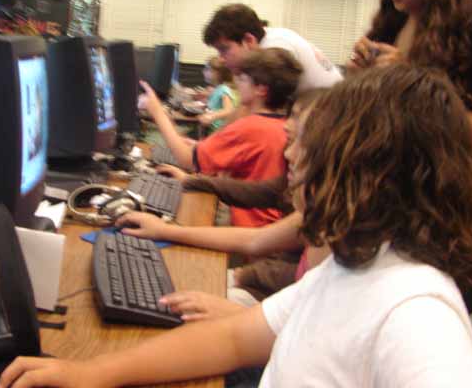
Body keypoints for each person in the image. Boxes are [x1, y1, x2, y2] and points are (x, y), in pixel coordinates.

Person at [0, 65, 472, 388]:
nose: (289, 156)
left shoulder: (418, 317)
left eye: (307, 146)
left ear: (364, 167)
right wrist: (92, 373)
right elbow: (231, 339)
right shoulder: (353, 267)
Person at [122, 90, 329, 319]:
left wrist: (245, 279)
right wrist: (185, 192)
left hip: (265, 297)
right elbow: (255, 200)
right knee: (166, 284)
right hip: (269, 294)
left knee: (164, 296)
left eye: (299, 141)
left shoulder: (329, 221)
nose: (288, 152)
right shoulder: (317, 205)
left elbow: (188, 158)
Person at [140, 47, 301, 227]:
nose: (237, 85)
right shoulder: (281, 125)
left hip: (245, 224)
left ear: (261, 89)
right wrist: (198, 152)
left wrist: (156, 111)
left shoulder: (251, 126)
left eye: (243, 79)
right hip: (268, 222)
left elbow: (187, 159)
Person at [203, 3, 342, 90]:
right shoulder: (270, 38)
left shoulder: (275, 50)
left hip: (335, 114)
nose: (221, 59)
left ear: (249, 40)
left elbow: (252, 109)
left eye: (224, 49)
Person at [197, 56, 236, 132]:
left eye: (207, 69)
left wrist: (211, 116)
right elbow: (215, 107)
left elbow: (229, 110)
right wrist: (205, 104)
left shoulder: (223, 89)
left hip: (218, 131)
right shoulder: (217, 88)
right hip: (211, 129)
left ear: (218, 74)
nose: (203, 71)